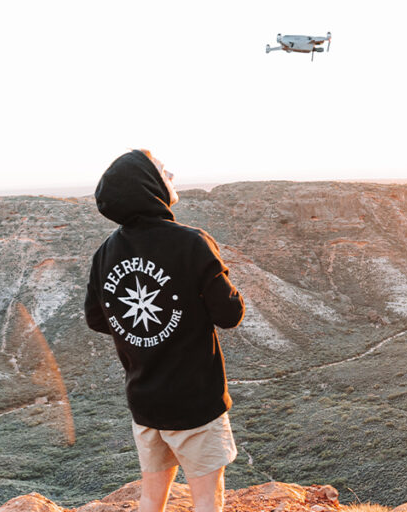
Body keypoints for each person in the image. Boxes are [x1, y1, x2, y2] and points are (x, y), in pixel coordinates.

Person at [84, 149, 244, 512]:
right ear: (148, 184)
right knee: (206, 500)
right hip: (195, 402)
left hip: (144, 400)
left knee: (152, 499)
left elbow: (96, 318)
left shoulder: (105, 253)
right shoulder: (191, 242)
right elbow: (230, 313)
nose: (170, 174)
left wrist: (141, 336)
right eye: (162, 170)